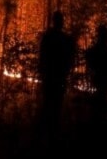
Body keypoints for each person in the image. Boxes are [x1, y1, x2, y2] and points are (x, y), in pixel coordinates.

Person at [37, 10, 76, 144]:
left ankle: (47, 137)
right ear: (59, 21)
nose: (61, 22)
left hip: (51, 78)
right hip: (57, 78)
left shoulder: (49, 37)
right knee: (54, 107)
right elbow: (70, 58)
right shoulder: (62, 39)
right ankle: (51, 137)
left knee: (49, 106)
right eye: (61, 20)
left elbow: (42, 58)